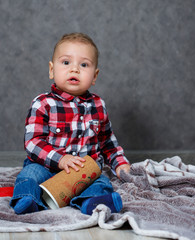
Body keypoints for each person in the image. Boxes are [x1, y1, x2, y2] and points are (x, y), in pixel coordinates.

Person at [10, 32, 131, 215]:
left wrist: (120, 164)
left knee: (102, 181)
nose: (74, 69)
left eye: (84, 65)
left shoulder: (98, 105)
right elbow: (33, 143)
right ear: (52, 70)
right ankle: (28, 199)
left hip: (84, 173)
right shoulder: (43, 103)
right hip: (47, 168)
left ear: (95, 76)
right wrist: (61, 159)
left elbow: (107, 143)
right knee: (29, 175)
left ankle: (91, 203)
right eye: (66, 62)